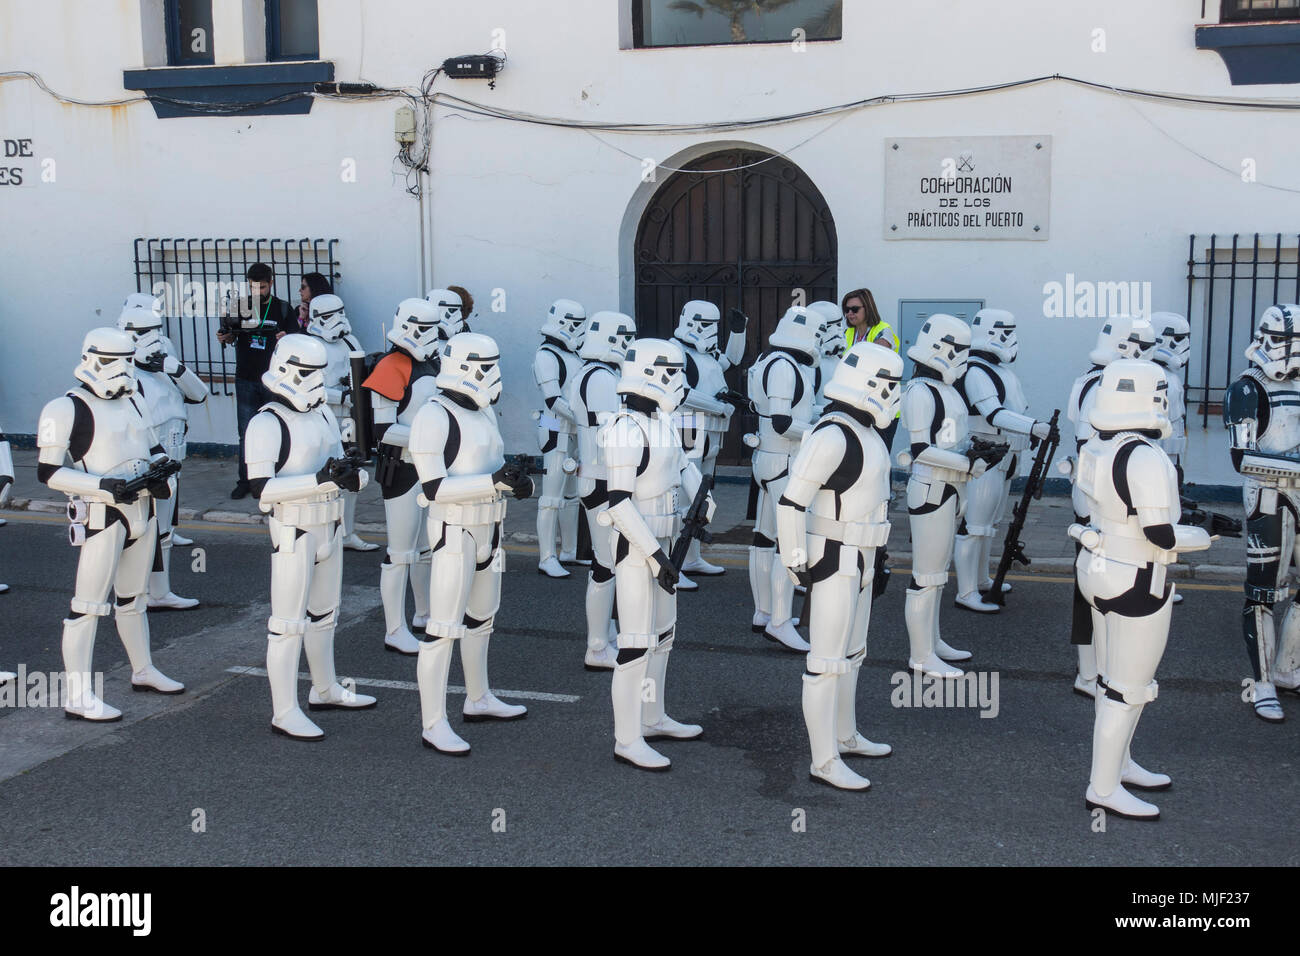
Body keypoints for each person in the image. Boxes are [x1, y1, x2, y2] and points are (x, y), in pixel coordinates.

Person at [1073, 359, 1211, 819]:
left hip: (1095, 567)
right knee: (1128, 688)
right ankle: (1103, 786)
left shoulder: (1098, 446)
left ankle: (1120, 765)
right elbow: (1163, 535)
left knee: (1109, 682)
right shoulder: (1147, 457)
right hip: (1136, 575)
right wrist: (1206, 536)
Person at [38, 328, 185, 721]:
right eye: (111, 361)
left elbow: (154, 450)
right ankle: (78, 693)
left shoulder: (134, 400)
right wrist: (102, 486)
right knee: (87, 606)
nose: (120, 371)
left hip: (141, 509)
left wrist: (161, 476)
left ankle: (143, 668)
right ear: (90, 359)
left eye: (125, 360)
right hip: (102, 514)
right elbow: (50, 472)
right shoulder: (65, 407)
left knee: (133, 599)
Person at [778, 342, 900, 790]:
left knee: (853, 653)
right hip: (832, 557)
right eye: (889, 384)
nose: (895, 393)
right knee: (825, 662)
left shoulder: (864, 431)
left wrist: (879, 555)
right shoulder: (832, 433)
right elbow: (791, 502)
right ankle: (823, 759)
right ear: (867, 383)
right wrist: (795, 562)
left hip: (863, 556)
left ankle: (844, 736)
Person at [245, 334, 377, 740]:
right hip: (295, 529)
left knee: (325, 615)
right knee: (287, 624)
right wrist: (320, 481)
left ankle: (325, 688)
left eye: (319, 374)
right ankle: (284, 710)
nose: (316, 382)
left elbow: (340, 463)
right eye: (308, 373)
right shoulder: (266, 422)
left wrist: (352, 475)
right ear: (285, 369)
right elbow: (261, 490)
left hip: (330, 524)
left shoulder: (320, 415)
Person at [409, 332, 532, 753]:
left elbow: (493, 469)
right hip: (453, 531)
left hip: (489, 530)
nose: (494, 376)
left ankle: (478, 698)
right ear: (463, 367)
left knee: (482, 619)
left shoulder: (483, 414)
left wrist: (513, 483)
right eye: (486, 367)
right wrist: (492, 482)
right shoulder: (433, 415)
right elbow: (432, 488)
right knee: (443, 628)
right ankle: (433, 722)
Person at [601, 338, 714, 771]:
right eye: (671, 372)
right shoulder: (624, 428)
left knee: (664, 635)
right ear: (649, 374)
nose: (679, 382)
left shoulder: (659, 422)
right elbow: (618, 502)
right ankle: (627, 738)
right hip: (637, 547)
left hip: (667, 542)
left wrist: (701, 501)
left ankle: (653, 716)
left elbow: (683, 466)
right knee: (634, 642)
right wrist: (654, 556)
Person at [901, 314, 1005, 677]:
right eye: (958, 350)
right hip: (933, 487)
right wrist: (966, 462)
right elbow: (920, 449)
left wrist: (974, 452)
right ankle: (920, 655)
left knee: (938, 575)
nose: (962, 356)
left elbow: (949, 439)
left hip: (951, 488)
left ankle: (932, 641)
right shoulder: (919, 391)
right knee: (925, 577)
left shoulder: (944, 389)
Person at [1065, 316, 1156, 697]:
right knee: (1094, 588)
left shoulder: (1093, 378)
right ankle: (1090, 673)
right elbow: (1093, 445)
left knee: (1096, 585)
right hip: (1099, 501)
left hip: (1100, 496)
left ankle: (1097, 670)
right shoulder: (1104, 382)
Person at [362, 297, 455, 655]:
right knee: (400, 552)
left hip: (429, 466)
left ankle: (424, 612)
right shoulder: (390, 366)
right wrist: (429, 441)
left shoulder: (434, 364)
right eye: (422, 327)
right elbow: (382, 429)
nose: (427, 335)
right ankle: (394, 629)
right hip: (400, 466)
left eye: (431, 328)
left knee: (427, 548)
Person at [1225, 303, 1300, 722]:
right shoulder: (1246, 388)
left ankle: (1288, 669)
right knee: (1262, 593)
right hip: (1266, 498)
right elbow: (1243, 459)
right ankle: (1264, 680)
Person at [952, 309, 1054, 613]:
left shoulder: (1000, 371)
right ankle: (966, 590)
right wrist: (1034, 427)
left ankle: (981, 579)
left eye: (1010, 330)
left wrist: (1029, 430)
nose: (1009, 338)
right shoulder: (975, 371)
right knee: (974, 526)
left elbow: (1011, 410)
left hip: (1006, 453)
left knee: (990, 525)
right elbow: (993, 413)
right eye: (1002, 331)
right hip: (985, 453)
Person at [117, 302, 208, 610]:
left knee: (164, 530)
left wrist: (176, 369)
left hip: (172, 460)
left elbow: (199, 394)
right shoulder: (124, 376)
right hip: (144, 462)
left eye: (156, 331)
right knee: (141, 529)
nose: (152, 339)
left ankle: (160, 591)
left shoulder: (165, 369)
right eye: (144, 333)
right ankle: (135, 590)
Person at [748, 306, 821, 652]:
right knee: (787, 542)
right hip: (783, 460)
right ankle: (777, 620)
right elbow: (782, 422)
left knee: (765, 537)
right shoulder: (782, 366)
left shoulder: (770, 360)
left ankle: (765, 612)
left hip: (769, 458)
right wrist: (822, 432)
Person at [568, 311, 638, 669]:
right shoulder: (600, 378)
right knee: (605, 565)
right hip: (602, 480)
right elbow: (610, 434)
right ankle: (597, 645)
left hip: (598, 478)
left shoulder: (593, 373)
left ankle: (604, 635)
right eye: (625, 337)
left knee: (605, 562)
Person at [670, 300, 747, 577]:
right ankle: (673, 564)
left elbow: (729, 361)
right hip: (687, 425)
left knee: (702, 496)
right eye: (705, 325)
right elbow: (682, 392)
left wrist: (738, 332)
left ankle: (692, 558)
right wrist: (719, 405)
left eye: (713, 326)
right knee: (681, 497)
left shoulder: (706, 353)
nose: (709, 331)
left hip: (711, 430)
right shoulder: (675, 351)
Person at [216, 263, 298, 500]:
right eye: (253, 287)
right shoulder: (239, 307)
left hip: (274, 380)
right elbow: (230, 335)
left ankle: (274, 479)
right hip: (246, 378)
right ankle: (245, 481)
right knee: (246, 432)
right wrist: (226, 336)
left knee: (277, 430)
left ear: (271, 283)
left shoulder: (283, 309)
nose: (257, 292)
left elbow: (296, 337)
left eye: (262, 287)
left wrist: (287, 336)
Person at [305, 293, 379, 552]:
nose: (336, 321)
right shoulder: (310, 347)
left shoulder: (350, 340)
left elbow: (357, 374)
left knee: (352, 473)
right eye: (328, 316)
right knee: (327, 474)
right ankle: (327, 532)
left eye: (339, 313)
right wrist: (344, 395)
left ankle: (347, 532)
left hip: (349, 418)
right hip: (323, 417)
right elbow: (310, 387)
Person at [532, 299, 587, 579]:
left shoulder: (574, 355)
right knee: (551, 498)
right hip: (555, 428)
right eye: (575, 323)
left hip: (576, 431)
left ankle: (569, 551)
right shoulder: (546, 355)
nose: (579, 330)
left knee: (572, 495)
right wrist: (584, 419)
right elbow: (553, 400)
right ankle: (547, 556)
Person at [841, 288, 900, 450]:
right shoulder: (847, 333)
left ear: (868, 307)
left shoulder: (883, 330)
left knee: (879, 457)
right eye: (846, 310)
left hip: (882, 407)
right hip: (856, 405)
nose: (850, 314)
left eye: (854, 309)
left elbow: (876, 360)